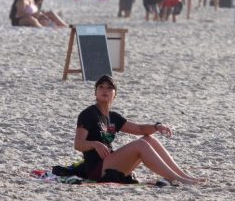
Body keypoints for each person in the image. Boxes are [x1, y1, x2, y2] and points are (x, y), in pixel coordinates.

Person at [74, 74, 204, 184]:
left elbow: (140, 129)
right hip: (97, 169)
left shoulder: (113, 117)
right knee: (140, 144)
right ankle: (176, 179)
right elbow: (78, 144)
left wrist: (157, 126)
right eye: (101, 87)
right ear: (95, 92)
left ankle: (183, 176)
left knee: (149, 139)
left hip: (112, 163)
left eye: (109, 88)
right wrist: (95, 144)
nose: (105, 90)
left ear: (115, 95)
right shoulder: (88, 114)